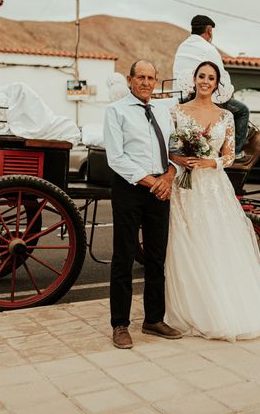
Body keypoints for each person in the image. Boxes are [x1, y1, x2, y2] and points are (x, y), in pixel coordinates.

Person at [165, 61, 260, 340]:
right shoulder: (177, 111)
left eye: (211, 77)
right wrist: (181, 159)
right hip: (185, 185)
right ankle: (191, 308)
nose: (205, 81)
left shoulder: (226, 116)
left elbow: (231, 155)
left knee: (216, 240)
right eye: (201, 76)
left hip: (213, 186)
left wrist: (211, 162)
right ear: (194, 80)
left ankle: (223, 305)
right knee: (187, 242)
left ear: (217, 83)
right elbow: (170, 148)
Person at [103, 60, 182, 349]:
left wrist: (170, 175)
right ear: (130, 79)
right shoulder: (116, 111)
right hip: (130, 189)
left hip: (160, 190)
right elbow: (117, 157)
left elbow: (174, 150)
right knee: (123, 257)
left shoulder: (162, 110)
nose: (146, 82)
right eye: (141, 77)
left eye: (151, 77)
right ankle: (120, 324)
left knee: (157, 257)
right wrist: (153, 182)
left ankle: (153, 319)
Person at [173, 14, 251, 162]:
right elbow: (221, 76)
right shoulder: (208, 48)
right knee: (242, 110)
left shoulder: (182, 47)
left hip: (179, 94)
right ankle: (238, 152)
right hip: (198, 95)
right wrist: (228, 93)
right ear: (209, 30)